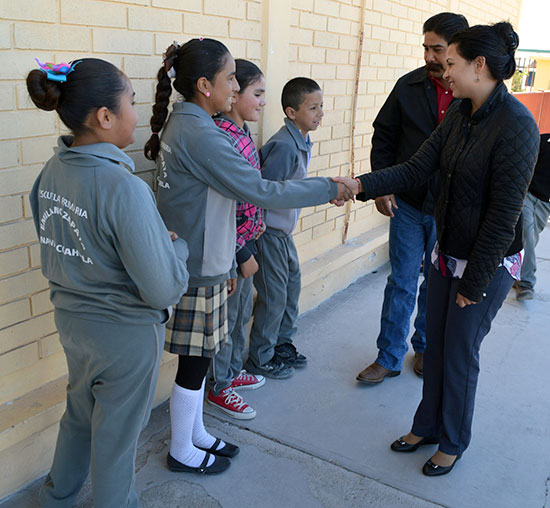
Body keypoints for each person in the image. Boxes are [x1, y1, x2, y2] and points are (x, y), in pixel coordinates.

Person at [336, 22, 539, 476]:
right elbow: (414, 168)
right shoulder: (460, 115)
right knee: (438, 347)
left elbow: (504, 215)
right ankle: (426, 425)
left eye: (451, 64)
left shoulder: (518, 125)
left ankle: (452, 440)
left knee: (459, 353)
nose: (443, 72)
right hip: (447, 251)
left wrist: (475, 280)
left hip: (484, 262)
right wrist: (360, 185)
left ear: (478, 65)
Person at [145, 39, 352, 475]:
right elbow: (259, 190)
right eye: (229, 79)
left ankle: (195, 433)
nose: (236, 85)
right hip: (197, 266)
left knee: (199, 358)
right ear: (205, 86)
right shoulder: (200, 133)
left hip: (207, 259)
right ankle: (182, 448)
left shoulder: (192, 124)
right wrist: (328, 188)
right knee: (195, 360)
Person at [26, 58, 189, 507]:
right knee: (116, 442)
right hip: (124, 337)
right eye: (132, 103)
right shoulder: (124, 187)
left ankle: (56, 497)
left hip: (74, 326)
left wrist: (147, 239)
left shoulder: (53, 170)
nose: (138, 114)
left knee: (78, 416)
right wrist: (175, 249)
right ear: (105, 116)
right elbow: (162, 289)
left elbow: (56, 232)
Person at [356, 12, 469, 385]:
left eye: (437, 49)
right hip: (405, 204)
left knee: (435, 286)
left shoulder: (472, 94)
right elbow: (383, 136)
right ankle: (388, 356)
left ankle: (424, 348)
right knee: (402, 282)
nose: (429, 57)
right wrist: (381, 186)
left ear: (456, 48)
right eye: (425, 48)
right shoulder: (407, 87)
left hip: (449, 209)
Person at [244, 77, 324, 380]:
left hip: (284, 233)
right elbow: (264, 191)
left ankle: (282, 345)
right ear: (292, 112)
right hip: (269, 234)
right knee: (273, 297)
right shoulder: (283, 145)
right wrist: (258, 231)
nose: (319, 114)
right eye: (313, 108)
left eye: (321, 107)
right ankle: (261, 358)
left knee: (292, 289)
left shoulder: (301, 140)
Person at [207, 59, 267, 420]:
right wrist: (240, 251)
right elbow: (221, 206)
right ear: (232, 96)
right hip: (232, 248)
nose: (262, 102)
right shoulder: (220, 138)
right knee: (227, 320)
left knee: (242, 311)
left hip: (249, 241)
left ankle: (231, 372)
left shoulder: (242, 133)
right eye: (256, 94)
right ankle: (220, 385)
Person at [514, 133, 550, 300]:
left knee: (529, 239)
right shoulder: (542, 140)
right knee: (527, 232)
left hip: (545, 205)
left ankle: (515, 272)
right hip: (528, 196)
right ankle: (526, 283)